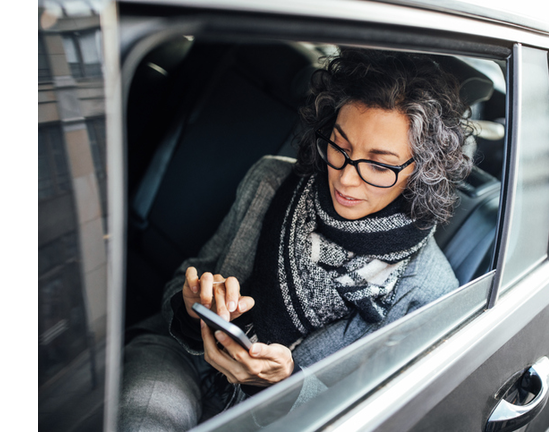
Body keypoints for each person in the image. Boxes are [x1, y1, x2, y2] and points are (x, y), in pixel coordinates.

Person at [118, 47, 472, 431]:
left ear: (422, 170)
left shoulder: (427, 289)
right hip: (184, 360)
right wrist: (191, 304)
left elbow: (369, 414)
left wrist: (283, 387)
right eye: (339, 145)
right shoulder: (271, 179)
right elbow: (192, 274)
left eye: (379, 164)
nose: (346, 178)